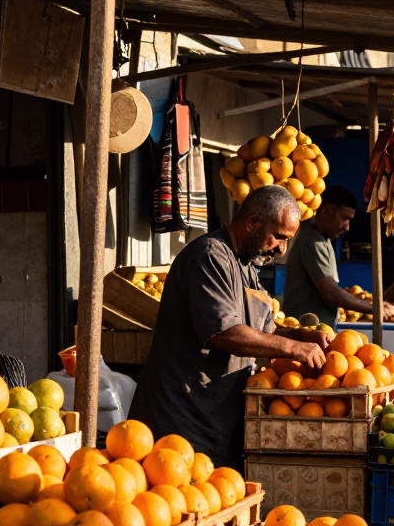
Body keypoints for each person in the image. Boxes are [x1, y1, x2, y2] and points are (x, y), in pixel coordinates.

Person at [131, 185, 328, 469]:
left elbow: (263, 330)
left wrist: (301, 334)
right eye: (279, 237)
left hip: (217, 416)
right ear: (253, 222)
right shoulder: (209, 257)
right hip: (181, 416)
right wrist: (292, 347)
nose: (282, 248)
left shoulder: (247, 265)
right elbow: (224, 333)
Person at [282, 185, 394, 329]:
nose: (347, 227)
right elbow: (330, 291)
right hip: (305, 333)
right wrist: (373, 308)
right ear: (327, 211)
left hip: (316, 332)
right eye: (344, 218)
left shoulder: (324, 240)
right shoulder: (312, 241)